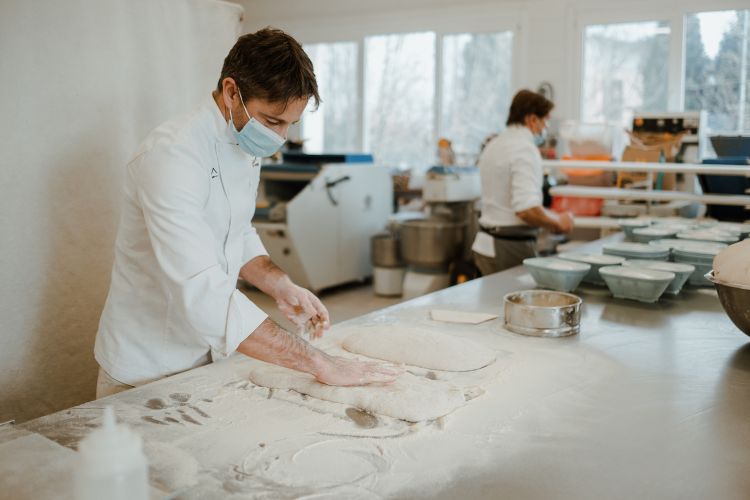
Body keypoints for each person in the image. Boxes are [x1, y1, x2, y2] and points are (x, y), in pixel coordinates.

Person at [94, 28, 402, 399]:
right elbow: (201, 289)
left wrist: (281, 286)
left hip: (206, 357)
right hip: (147, 363)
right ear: (230, 92)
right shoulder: (172, 156)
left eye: (291, 123)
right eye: (273, 121)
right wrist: (320, 362)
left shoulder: (242, 142)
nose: (282, 137)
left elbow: (236, 233)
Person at [471, 89, 573, 275]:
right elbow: (526, 210)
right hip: (509, 247)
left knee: (492, 302)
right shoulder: (524, 149)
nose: (545, 128)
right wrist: (559, 221)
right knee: (517, 302)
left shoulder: (494, 144)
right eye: (544, 121)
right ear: (532, 120)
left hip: (486, 243)